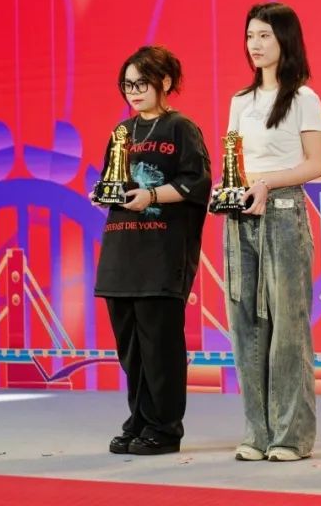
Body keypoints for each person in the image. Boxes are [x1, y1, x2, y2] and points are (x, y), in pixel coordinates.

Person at [95, 45, 212, 456]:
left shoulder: (181, 128)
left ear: (165, 82)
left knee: (160, 348)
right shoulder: (121, 132)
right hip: (121, 251)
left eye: (141, 84)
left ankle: (164, 427)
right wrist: (103, 194)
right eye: (127, 85)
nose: (133, 92)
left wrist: (152, 195)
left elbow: (198, 184)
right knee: (131, 350)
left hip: (162, 254)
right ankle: (140, 420)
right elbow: (112, 183)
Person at [223, 3, 321, 462]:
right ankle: (257, 433)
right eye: (250, 35)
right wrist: (233, 190)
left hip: (284, 213)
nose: (255, 44)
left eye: (265, 35)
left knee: (287, 326)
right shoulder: (239, 101)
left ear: (285, 40)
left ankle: (291, 436)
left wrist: (267, 183)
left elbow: (316, 164)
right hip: (241, 216)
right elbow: (233, 161)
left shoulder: (304, 97)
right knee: (245, 324)